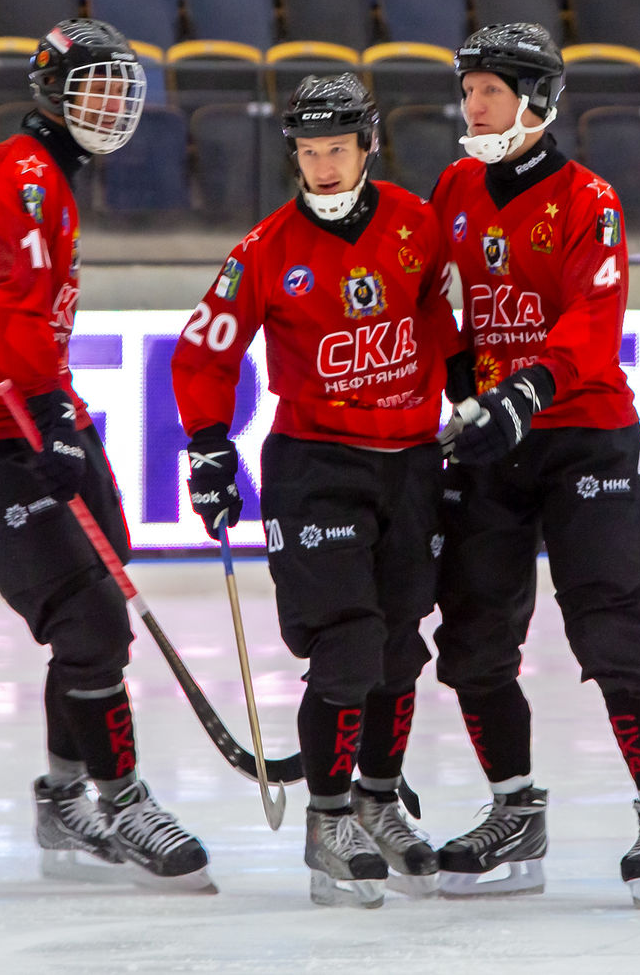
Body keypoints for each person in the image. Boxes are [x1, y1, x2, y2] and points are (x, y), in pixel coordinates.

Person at [0, 18, 211, 891]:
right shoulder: (25, 176)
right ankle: (122, 800)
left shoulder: (37, 175)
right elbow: (2, 314)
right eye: (91, 88)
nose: (109, 105)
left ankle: (64, 799)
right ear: (51, 93)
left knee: (101, 599)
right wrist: (16, 420)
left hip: (29, 409)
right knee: (90, 619)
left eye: (118, 89)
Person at [428, 23, 640, 905]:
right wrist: (460, 389)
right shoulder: (455, 186)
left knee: (615, 635)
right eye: (468, 89)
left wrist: (522, 392)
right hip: (492, 441)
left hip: (585, 435)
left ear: (538, 101)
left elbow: (592, 324)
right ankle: (515, 811)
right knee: (473, 638)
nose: (474, 105)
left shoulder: (591, 200)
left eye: (491, 90)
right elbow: (437, 303)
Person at [171, 73, 459, 907]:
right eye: (308, 151)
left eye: (337, 148)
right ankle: (328, 819)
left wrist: (476, 406)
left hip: (410, 460)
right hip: (316, 466)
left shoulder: (417, 224)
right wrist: (208, 445)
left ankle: (377, 798)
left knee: (400, 644)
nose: (323, 166)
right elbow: (205, 351)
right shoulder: (265, 249)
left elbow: (450, 327)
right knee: (348, 644)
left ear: (368, 146)